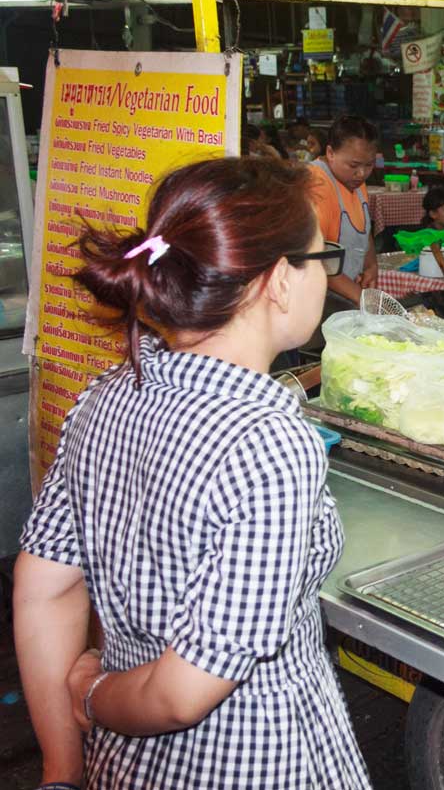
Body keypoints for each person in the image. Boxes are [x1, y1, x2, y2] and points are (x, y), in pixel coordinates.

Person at [14, 157, 371, 790]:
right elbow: (182, 693)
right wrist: (93, 694)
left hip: (122, 767)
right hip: (257, 761)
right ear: (280, 282)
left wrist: (63, 769)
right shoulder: (272, 441)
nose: (327, 275)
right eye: (325, 258)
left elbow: (46, 588)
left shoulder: (107, 395)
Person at [308, 115, 380, 305]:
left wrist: (371, 265)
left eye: (369, 165)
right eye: (354, 165)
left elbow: (363, 228)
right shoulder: (316, 184)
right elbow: (316, 259)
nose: (362, 173)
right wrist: (363, 299)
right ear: (330, 153)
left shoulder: (355, 181)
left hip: (345, 294)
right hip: (318, 299)